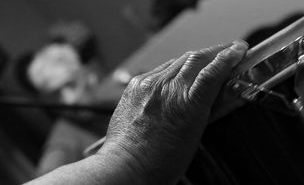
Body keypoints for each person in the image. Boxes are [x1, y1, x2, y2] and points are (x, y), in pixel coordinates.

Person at [26, 40, 249, 185]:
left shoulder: (124, 93)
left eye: (71, 84)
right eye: (56, 95)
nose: (69, 99)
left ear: (87, 74)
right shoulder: (60, 145)